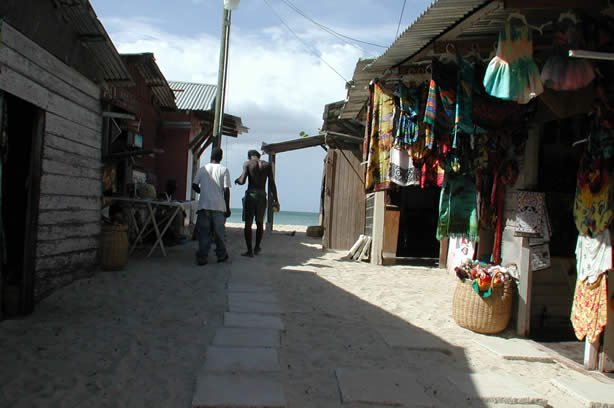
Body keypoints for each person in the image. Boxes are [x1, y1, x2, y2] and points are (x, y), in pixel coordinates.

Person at [234, 149, 279, 257]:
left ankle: (249, 251)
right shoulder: (267, 165)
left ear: (250, 156)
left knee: (248, 224)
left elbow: (243, 181)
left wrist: (237, 180)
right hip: (262, 196)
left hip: (251, 195)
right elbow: (272, 183)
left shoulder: (248, 164)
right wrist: (276, 199)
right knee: (259, 223)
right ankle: (257, 247)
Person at [192, 147, 231, 265]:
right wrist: (227, 207)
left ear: (211, 157)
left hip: (204, 206)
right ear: (221, 157)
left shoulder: (202, 169)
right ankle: (221, 256)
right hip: (218, 207)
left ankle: (202, 258)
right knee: (219, 234)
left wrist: (202, 192)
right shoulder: (224, 170)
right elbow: (226, 190)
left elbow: (194, 185)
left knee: (204, 234)